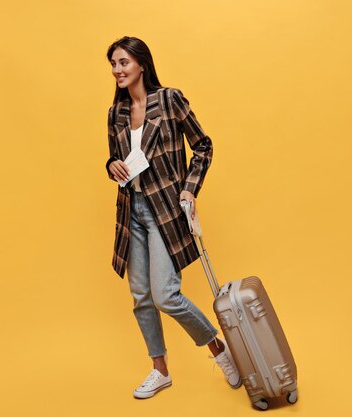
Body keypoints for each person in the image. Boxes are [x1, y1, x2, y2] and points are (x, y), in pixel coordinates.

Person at [104, 36, 241, 399]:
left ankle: (218, 348)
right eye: (113, 64)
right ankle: (160, 370)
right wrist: (112, 165)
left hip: (164, 210)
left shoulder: (169, 100)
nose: (117, 70)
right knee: (141, 297)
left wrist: (190, 189)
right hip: (130, 210)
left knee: (166, 294)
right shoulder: (115, 113)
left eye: (123, 62)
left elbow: (203, 146)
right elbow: (113, 160)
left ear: (141, 64)